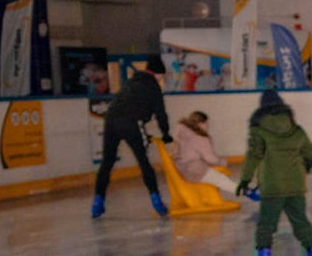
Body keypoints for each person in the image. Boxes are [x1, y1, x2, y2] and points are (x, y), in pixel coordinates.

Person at [234, 90, 312, 256]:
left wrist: (245, 180)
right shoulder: (297, 130)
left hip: (273, 187)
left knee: (266, 226)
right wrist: (305, 168)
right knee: (301, 222)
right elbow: (311, 153)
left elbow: (253, 156)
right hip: (295, 185)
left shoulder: (258, 131)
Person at [92, 57, 171, 218]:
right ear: (157, 74)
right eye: (161, 76)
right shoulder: (153, 87)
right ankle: (157, 202)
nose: (160, 79)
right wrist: (166, 134)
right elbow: (161, 114)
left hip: (111, 120)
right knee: (144, 162)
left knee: (107, 162)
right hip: (131, 122)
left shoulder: (130, 83)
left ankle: (97, 203)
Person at [171, 111, 240, 198]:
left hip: (181, 168)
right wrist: (223, 162)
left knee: (214, 172)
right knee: (221, 179)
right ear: (201, 124)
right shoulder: (200, 138)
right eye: (207, 124)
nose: (208, 126)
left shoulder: (181, 131)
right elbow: (211, 159)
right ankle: (245, 191)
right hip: (195, 172)